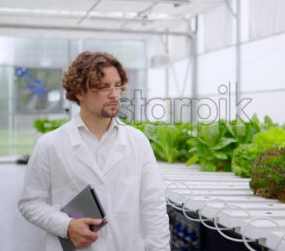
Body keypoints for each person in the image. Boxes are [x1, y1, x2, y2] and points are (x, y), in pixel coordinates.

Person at [18, 51, 171, 251]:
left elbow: (154, 207)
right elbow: (30, 203)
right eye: (103, 87)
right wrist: (66, 226)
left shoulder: (137, 142)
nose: (114, 95)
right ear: (79, 91)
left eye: (118, 86)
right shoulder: (50, 144)